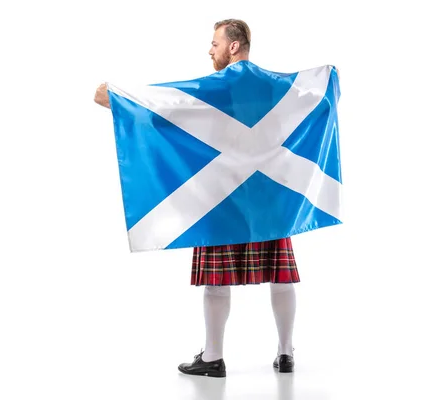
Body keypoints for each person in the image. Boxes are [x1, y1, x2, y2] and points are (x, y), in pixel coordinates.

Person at [95, 19, 303, 378]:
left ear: (234, 46)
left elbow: (167, 108)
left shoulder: (211, 88)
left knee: (216, 282)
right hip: (269, 198)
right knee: (280, 277)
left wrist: (119, 99)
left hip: (222, 199)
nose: (210, 50)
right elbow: (309, 100)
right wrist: (329, 80)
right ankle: (286, 354)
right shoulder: (275, 86)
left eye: (215, 43)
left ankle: (213, 357)